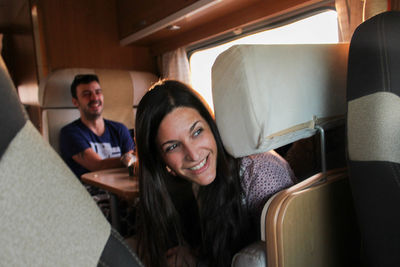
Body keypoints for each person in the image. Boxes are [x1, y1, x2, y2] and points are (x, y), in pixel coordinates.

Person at [134, 80, 296, 267]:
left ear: (212, 126)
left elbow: (292, 252)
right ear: (160, 158)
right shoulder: (183, 187)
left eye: (197, 132)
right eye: (173, 146)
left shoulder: (259, 172)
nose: (193, 154)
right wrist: (196, 258)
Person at [60, 74, 135, 222]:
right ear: (76, 102)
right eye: (86, 94)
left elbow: (133, 161)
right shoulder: (70, 133)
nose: (94, 98)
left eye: (98, 92)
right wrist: (127, 159)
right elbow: (97, 165)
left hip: (123, 185)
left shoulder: (119, 129)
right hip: (89, 190)